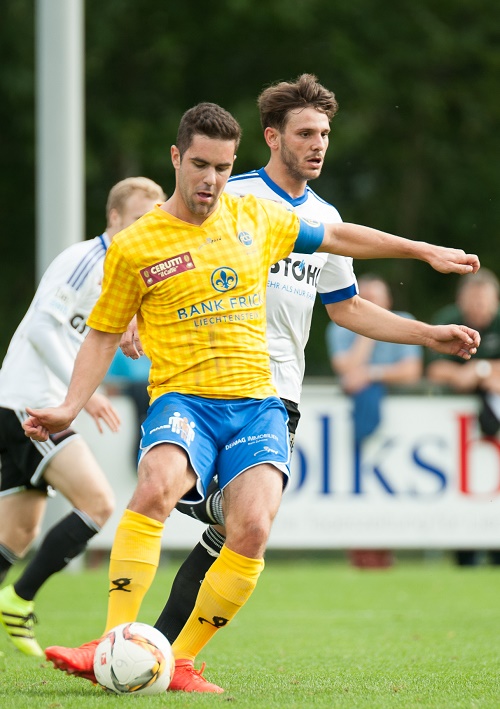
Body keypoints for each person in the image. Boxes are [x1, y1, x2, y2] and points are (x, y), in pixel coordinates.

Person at [24, 101, 480, 694]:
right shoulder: (161, 233)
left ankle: (178, 658)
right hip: (185, 396)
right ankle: (114, 638)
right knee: (158, 487)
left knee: (250, 527)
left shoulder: (264, 216)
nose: (211, 179)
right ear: (178, 159)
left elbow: (341, 261)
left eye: (221, 167)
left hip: (264, 399)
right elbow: (107, 327)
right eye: (200, 165)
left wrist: (422, 263)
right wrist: (73, 399)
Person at [147, 76, 476, 647]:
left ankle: (163, 652)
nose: (318, 144)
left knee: (244, 528)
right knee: (185, 499)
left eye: (324, 133)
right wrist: (134, 316)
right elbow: (157, 244)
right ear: (272, 137)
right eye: (304, 133)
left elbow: (347, 309)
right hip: (209, 379)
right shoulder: (231, 194)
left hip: (279, 393)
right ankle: (140, 634)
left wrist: (428, 335)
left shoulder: (325, 215)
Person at [0, 176, 165, 657]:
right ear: (114, 217)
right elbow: (42, 329)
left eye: (152, 221)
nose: (144, 229)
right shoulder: (86, 259)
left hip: (34, 403)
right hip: (31, 404)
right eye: (137, 219)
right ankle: (18, 599)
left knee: (18, 532)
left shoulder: (127, 274)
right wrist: (83, 395)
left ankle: (14, 599)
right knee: (98, 502)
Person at [326, 273, 423, 568]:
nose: (370, 305)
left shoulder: (405, 321)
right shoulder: (339, 326)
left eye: (375, 300)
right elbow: (345, 369)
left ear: (389, 302)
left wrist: (371, 374)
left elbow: (411, 371)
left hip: (406, 433)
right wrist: (368, 330)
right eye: (364, 300)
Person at [426, 268, 500, 566]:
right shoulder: (448, 319)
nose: (478, 307)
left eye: (484, 301)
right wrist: (473, 374)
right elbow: (434, 369)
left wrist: (480, 371)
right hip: (456, 432)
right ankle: (465, 554)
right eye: (473, 301)